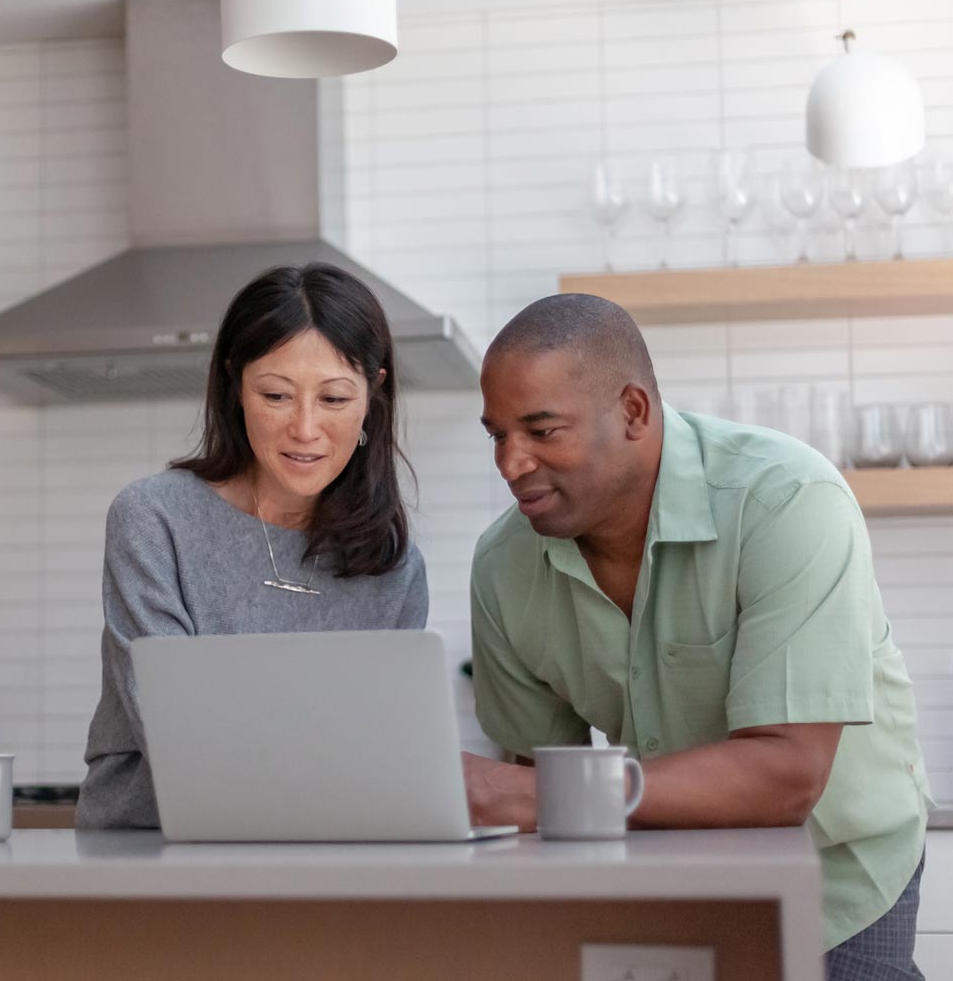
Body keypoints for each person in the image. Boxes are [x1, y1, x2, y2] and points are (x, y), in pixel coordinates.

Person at [463, 292, 931, 980]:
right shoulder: (503, 566)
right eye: (497, 434)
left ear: (632, 411)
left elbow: (787, 774)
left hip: (839, 868)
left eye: (541, 430)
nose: (511, 463)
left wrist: (527, 797)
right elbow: (537, 787)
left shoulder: (786, 499)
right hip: (669, 870)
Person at [77, 262, 429, 829]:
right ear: (235, 386)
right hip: (148, 854)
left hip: (327, 853)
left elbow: (384, 753)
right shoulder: (154, 520)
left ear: (373, 395)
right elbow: (172, 728)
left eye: (335, 399)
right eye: (276, 395)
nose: (306, 429)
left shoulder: (393, 568)